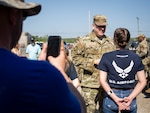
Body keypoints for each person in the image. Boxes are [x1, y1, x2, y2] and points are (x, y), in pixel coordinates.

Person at [0, 0, 83, 112]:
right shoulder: (39, 75)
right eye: (23, 16)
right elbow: (80, 108)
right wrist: (58, 69)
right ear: (13, 15)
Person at [71, 14, 115, 113]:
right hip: (89, 85)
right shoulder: (83, 41)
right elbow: (75, 57)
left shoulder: (110, 42)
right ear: (93, 25)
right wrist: (92, 62)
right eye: (99, 26)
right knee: (89, 110)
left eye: (104, 26)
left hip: (106, 84)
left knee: (105, 110)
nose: (102, 29)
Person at [98, 28, 147, 113]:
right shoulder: (136, 57)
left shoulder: (106, 57)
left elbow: (102, 81)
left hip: (111, 96)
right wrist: (131, 98)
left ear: (114, 40)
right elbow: (142, 81)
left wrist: (115, 98)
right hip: (130, 96)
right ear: (128, 40)